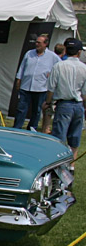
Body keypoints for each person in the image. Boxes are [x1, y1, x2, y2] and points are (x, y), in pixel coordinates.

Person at [44, 37, 86, 169]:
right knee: (74, 139)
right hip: (78, 105)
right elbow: (85, 93)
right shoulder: (84, 68)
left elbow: (51, 88)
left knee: (59, 139)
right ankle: (71, 167)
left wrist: (48, 103)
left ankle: (59, 168)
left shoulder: (58, 66)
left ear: (66, 50)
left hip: (64, 104)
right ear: (79, 52)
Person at [14, 34, 61, 131]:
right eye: (36, 42)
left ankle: (32, 128)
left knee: (37, 110)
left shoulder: (52, 56)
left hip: (41, 88)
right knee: (21, 109)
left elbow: (60, 66)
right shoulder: (29, 53)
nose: (36, 44)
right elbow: (22, 67)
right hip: (26, 86)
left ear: (45, 44)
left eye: (39, 42)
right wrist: (18, 80)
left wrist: (52, 74)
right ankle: (17, 127)